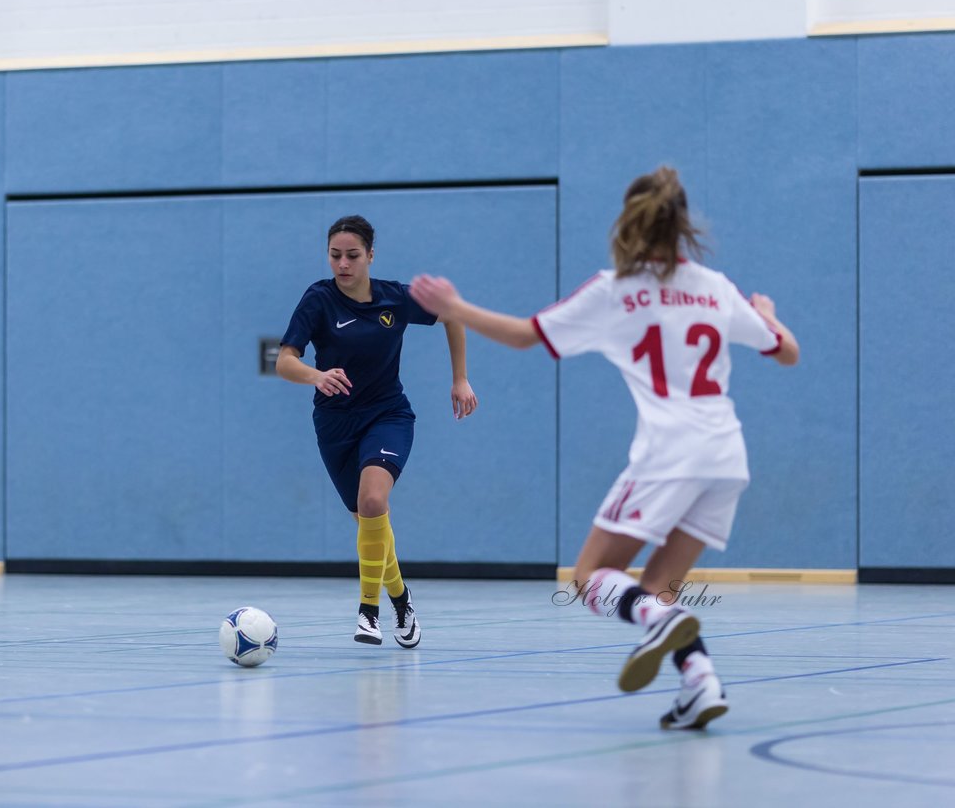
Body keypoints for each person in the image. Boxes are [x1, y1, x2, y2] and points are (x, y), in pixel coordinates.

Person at [410, 166, 799, 729]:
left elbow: (524, 335)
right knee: (661, 588)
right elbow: (787, 351)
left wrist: (456, 306)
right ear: (684, 222)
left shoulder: (616, 291)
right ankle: (700, 682)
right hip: (727, 458)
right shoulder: (717, 288)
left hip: (671, 452)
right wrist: (767, 317)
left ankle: (658, 623)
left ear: (629, 221)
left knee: (591, 575)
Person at [278, 215, 478, 647]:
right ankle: (402, 601)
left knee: (373, 499)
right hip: (335, 424)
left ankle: (368, 612)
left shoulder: (394, 298)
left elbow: (453, 314)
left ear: (371, 255)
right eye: (335, 256)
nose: (343, 264)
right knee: (370, 523)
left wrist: (459, 378)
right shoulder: (318, 299)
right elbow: (285, 359)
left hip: (388, 415)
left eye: (352, 255)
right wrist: (315, 375)